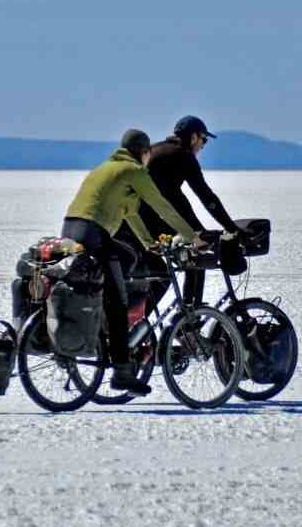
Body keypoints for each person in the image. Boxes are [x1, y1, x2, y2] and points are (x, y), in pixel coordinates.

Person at [62, 129, 201, 396]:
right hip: (94, 233)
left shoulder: (107, 168)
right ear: (144, 152)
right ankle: (122, 373)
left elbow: (132, 214)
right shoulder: (134, 171)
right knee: (118, 299)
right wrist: (191, 237)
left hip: (71, 230)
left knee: (127, 258)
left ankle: (104, 332)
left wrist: (149, 243)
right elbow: (162, 206)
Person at [127, 115, 241, 307]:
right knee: (192, 257)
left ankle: (143, 327)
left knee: (166, 268)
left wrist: (197, 229)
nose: (203, 146)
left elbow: (177, 200)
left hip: (126, 221)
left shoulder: (157, 150)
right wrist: (231, 228)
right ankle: (188, 315)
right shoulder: (181, 155)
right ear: (194, 137)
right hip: (142, 224)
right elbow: (205, 196)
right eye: (203, 139)